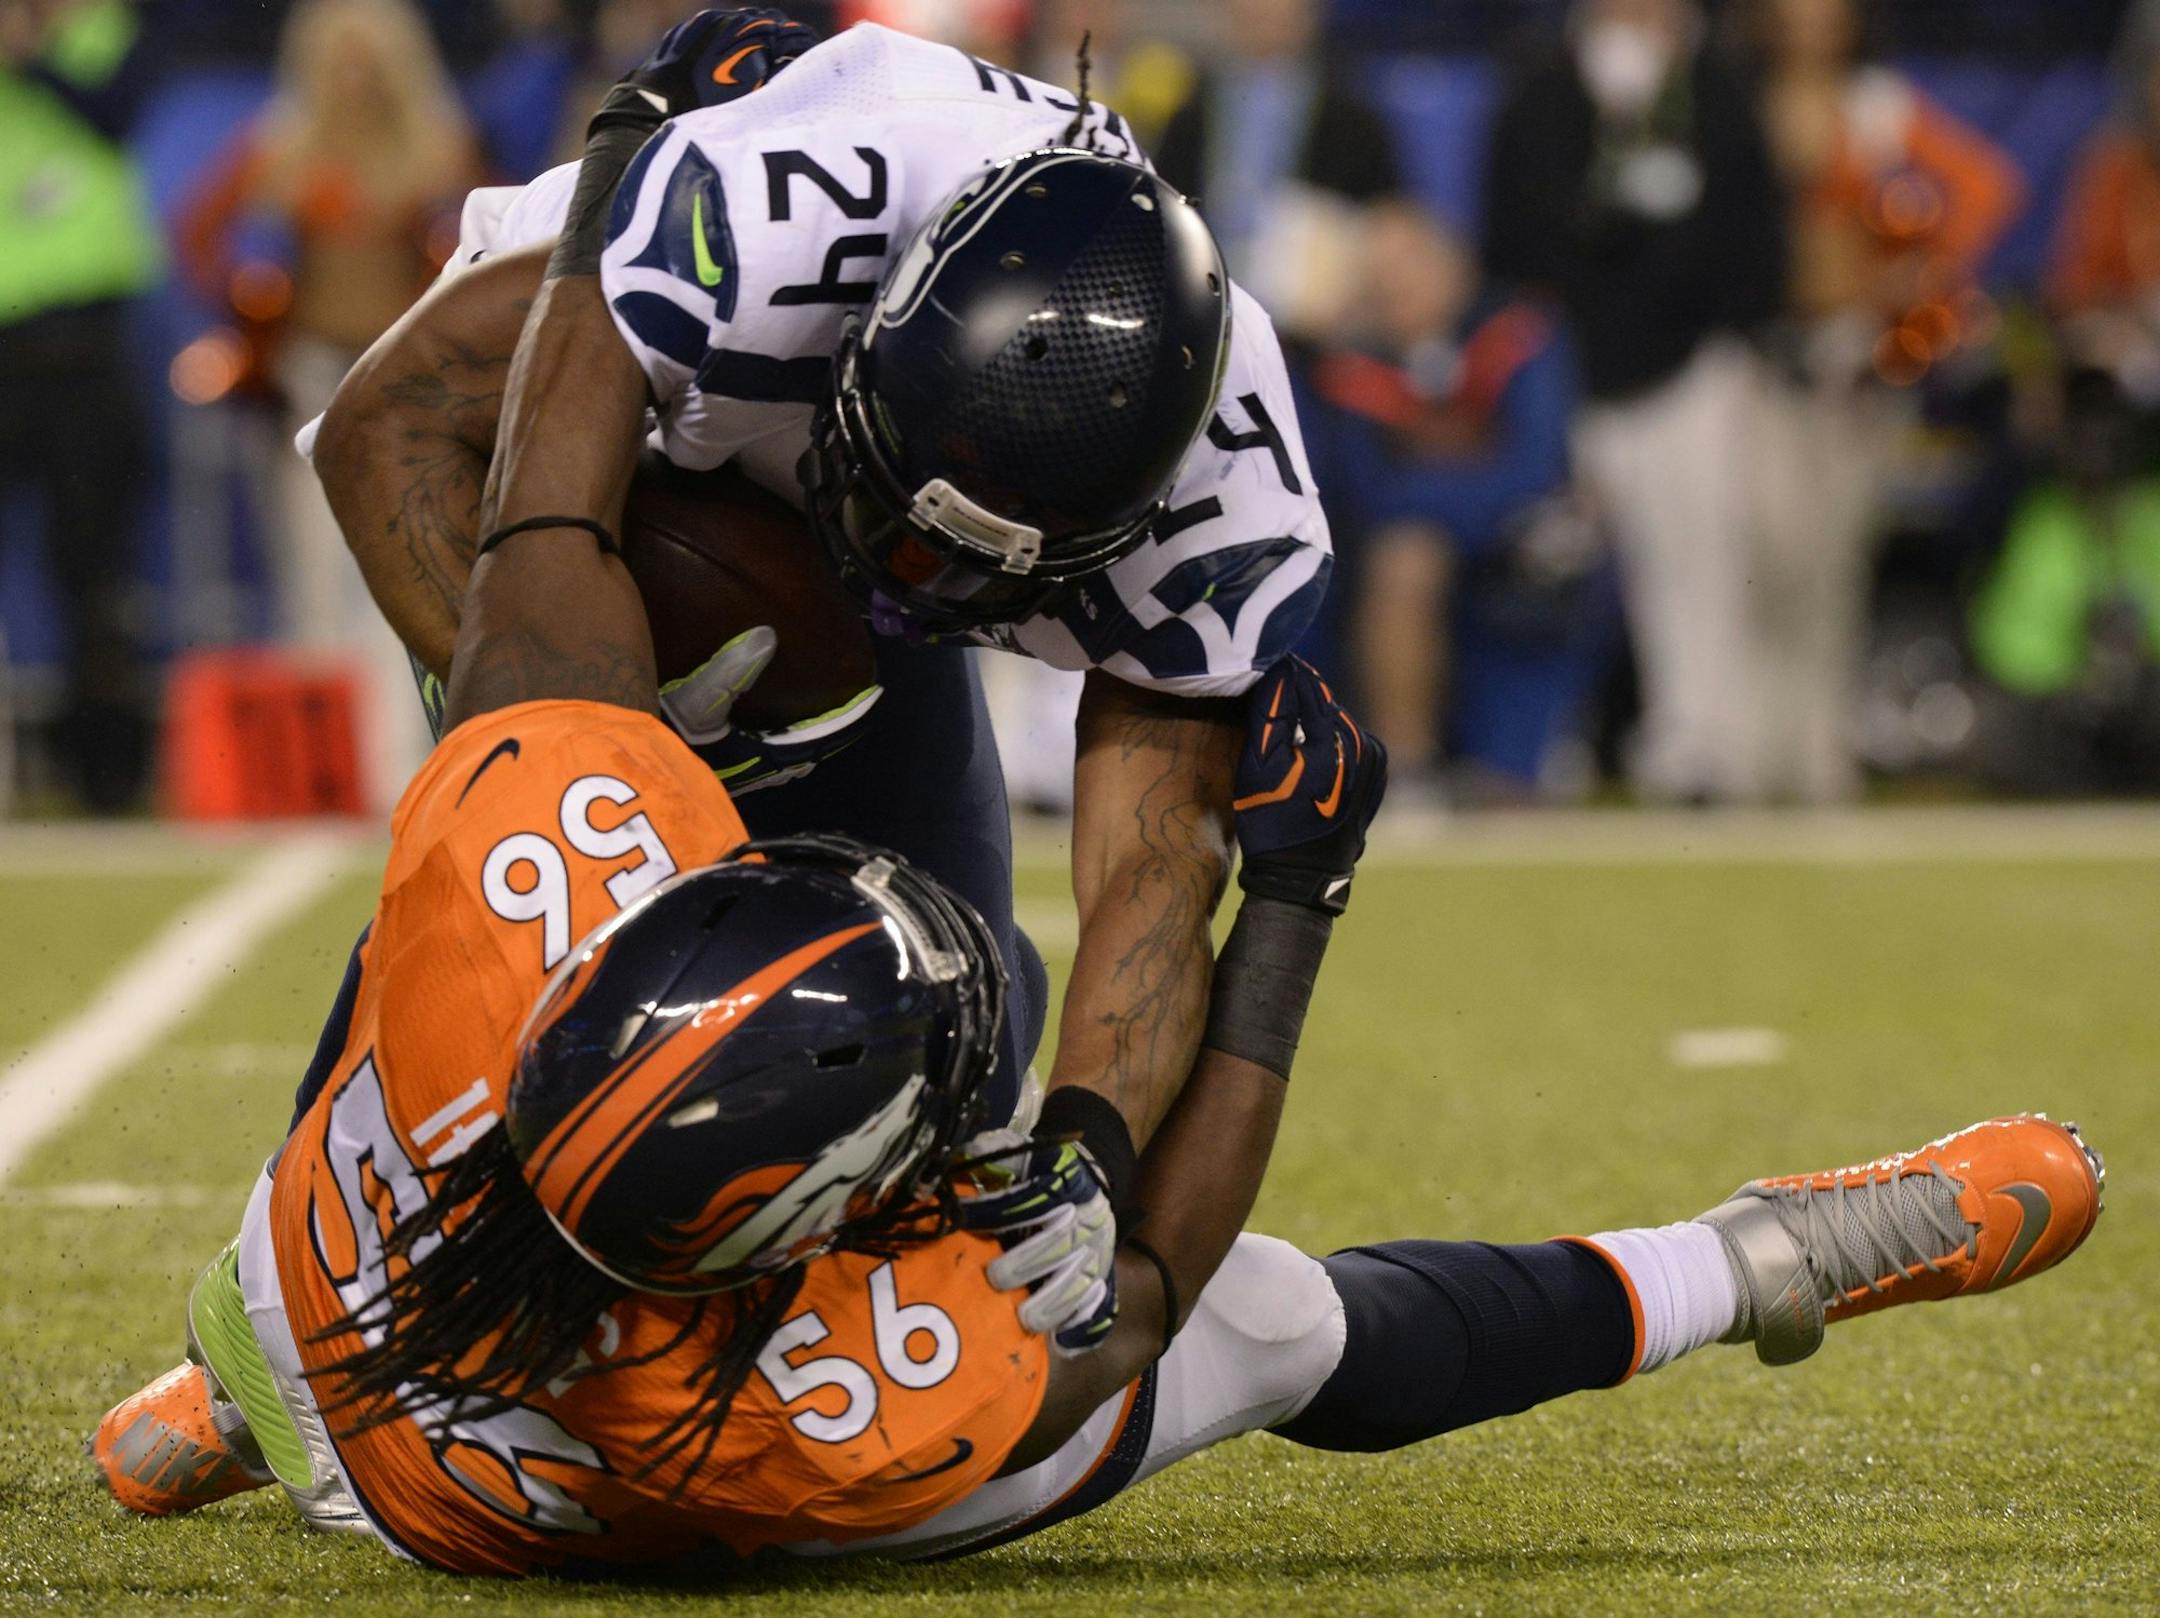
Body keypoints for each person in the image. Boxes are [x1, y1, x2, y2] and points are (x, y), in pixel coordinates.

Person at [310, 14, 1336, 1249]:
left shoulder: (1227, 510)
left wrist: (1092, 1147)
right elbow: (392, 427)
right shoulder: (744, 239)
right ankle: (322, 1264)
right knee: (559, 921)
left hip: (821, 556)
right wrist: (619, 761)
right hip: (614, 475)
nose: (921, 579)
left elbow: (1153, 866)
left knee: (961, 1034)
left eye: (970, 570)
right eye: (913, 532)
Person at [176, 0, 483, 805]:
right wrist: (250, 316)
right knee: (313, 573)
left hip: (407, 381)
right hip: (313, 376)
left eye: (367, 59)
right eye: (337, 59)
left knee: (409, 566)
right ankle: (323, 777)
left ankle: (401, 772)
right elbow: (197, 230)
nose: (352, 76)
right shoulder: (284, 146)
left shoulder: (435, 145)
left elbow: (491, 244)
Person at [1482, 0, 1786, 804]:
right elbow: (1513, 234)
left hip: (1690, 372)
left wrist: (1717, 333)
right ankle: (1542, 749)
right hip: (1567, 374)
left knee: (1701, 565)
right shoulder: (1542, 91)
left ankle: (1705, 750)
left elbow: (1751, 230)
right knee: (1553, 570)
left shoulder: (1719, 91)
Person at [1746, 0, 2021, 803]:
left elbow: (1985, 186)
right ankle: (1751, 751)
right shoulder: (1735, 97)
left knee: (1829, 562)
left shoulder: (1878, 107)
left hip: (1851, 355)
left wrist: (1920, 276)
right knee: (1766, 554)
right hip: (1756, 351)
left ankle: (1818, 757)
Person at [1311, 203, 1612, 801]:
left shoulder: (1519, 333)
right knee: (1404, 559)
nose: (1400, 284)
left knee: (1569, 540)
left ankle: (1533, 750)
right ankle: (1410, 768)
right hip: (1398, 543)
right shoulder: (1350, 364)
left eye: (1413, 264)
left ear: (1455, 265)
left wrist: (1444, 512)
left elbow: (1539, 464)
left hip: (1517, 531)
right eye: (1382, 273)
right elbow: (1362, 488)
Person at [0, 0, 161, 812]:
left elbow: (116, 118)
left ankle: (106, 776)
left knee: (93, 567)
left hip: (82, 342)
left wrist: (32, 53)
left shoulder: (106, 29)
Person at [1151, 0, 1402, 345]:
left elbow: (1385, 217)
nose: (1267, 12)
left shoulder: (1355, 118)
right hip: (1201, 313)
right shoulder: (1189, 115)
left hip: (1318, 326)